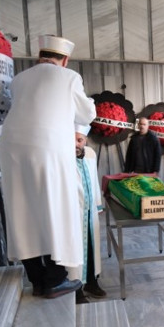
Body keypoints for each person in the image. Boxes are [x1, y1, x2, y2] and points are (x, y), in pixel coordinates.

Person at [0, 35, 95, 298]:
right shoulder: (70, 77)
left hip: (12, 147)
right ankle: (55, 279)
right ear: (65, 60)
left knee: (23, 208)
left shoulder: (19, 79)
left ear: (39, 56)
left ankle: (38, 279)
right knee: (55, 206)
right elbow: (87, 114)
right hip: (48, 148)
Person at [70, 127, 106, 303]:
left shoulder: (90, 154)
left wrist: (98, 205)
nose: (76, 144)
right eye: (73, 139)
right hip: (73, 212)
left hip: (90, 211)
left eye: (80, 140)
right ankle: (76, 289)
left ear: (85, 140)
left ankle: (92, 282)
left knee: (92, 248)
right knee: (75, 251)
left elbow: (93, 177)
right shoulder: (63, 155)